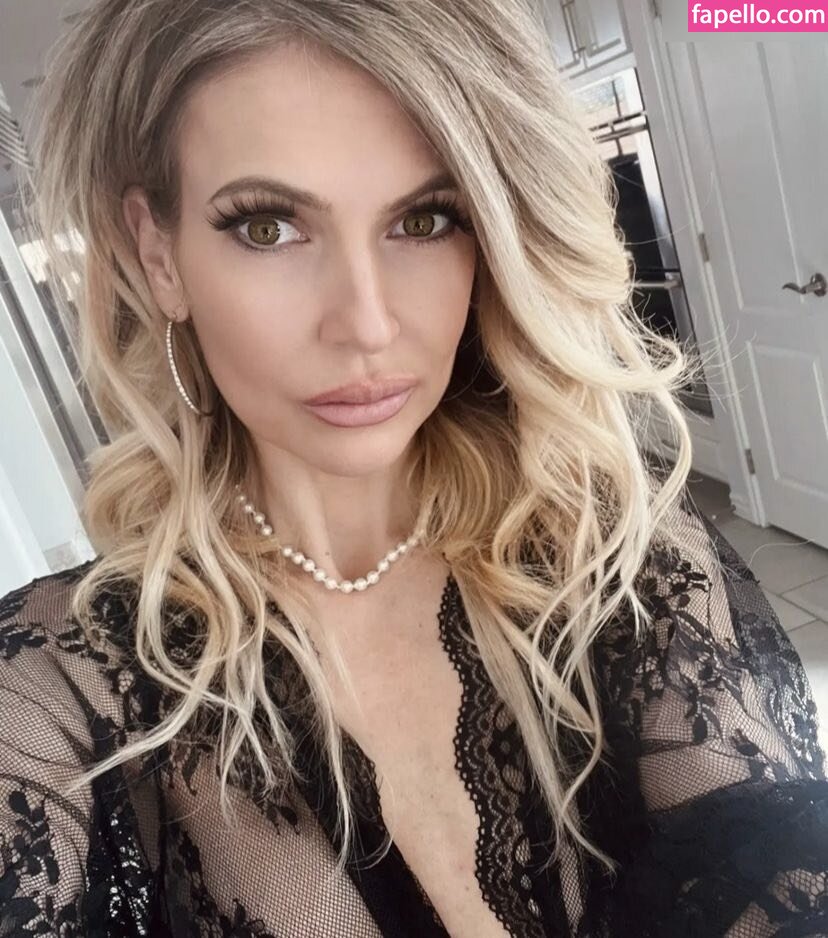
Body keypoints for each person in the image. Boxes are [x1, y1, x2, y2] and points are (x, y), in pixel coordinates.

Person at [1, 0, 826, 935]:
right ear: (160, 257)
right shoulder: (53, 695)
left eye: (425, 219)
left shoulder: (632, 566)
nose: (366, 323)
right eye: (268, 227)